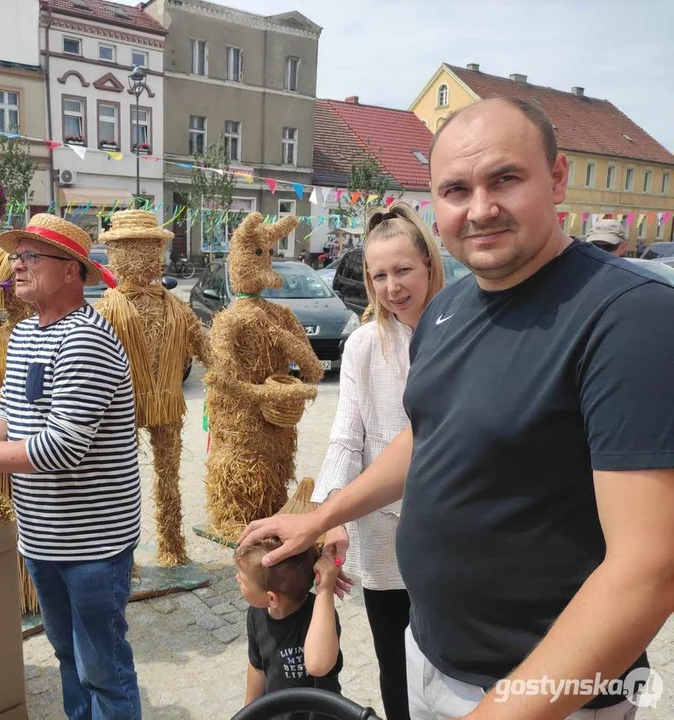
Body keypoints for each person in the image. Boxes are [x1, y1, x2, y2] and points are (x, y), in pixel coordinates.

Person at [239, 97, 674, 720]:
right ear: (433, 205)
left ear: (556, 178)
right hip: (429, 653)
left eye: (506, 179)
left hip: (543, 693)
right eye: (455, 189)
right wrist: (322, 515)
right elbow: (428, 435)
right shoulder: (449, 312)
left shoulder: (629, 317)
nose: (480, 208)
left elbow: (650, 569)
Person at [0, 214, 142, 720]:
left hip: (93, 543)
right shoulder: (30, 332)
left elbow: (60, 448)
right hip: (43, 537)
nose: (18, 267)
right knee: (69, 658)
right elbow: (13, 416)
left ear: (72, 271)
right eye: (17, 257)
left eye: (32, 257)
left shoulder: (86, 339)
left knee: (104, 668)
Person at [311, 201, 445, 720]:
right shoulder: (366, 344)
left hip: (449, 532)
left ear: (429, 264)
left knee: (450, 662)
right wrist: (332, 512)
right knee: (395, 662)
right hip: (383, 539)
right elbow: (347, 436)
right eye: (379, 275)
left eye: (404, 270)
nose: (393, 286)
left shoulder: (462, 332)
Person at [236, 537, 344, 720]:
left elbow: (318, 664)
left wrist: (325, 590)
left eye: (243, 580)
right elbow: (257, 667)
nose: (237, 578)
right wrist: (247, 713)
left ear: (272, 598)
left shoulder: (319, 615)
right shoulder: (256, 614)